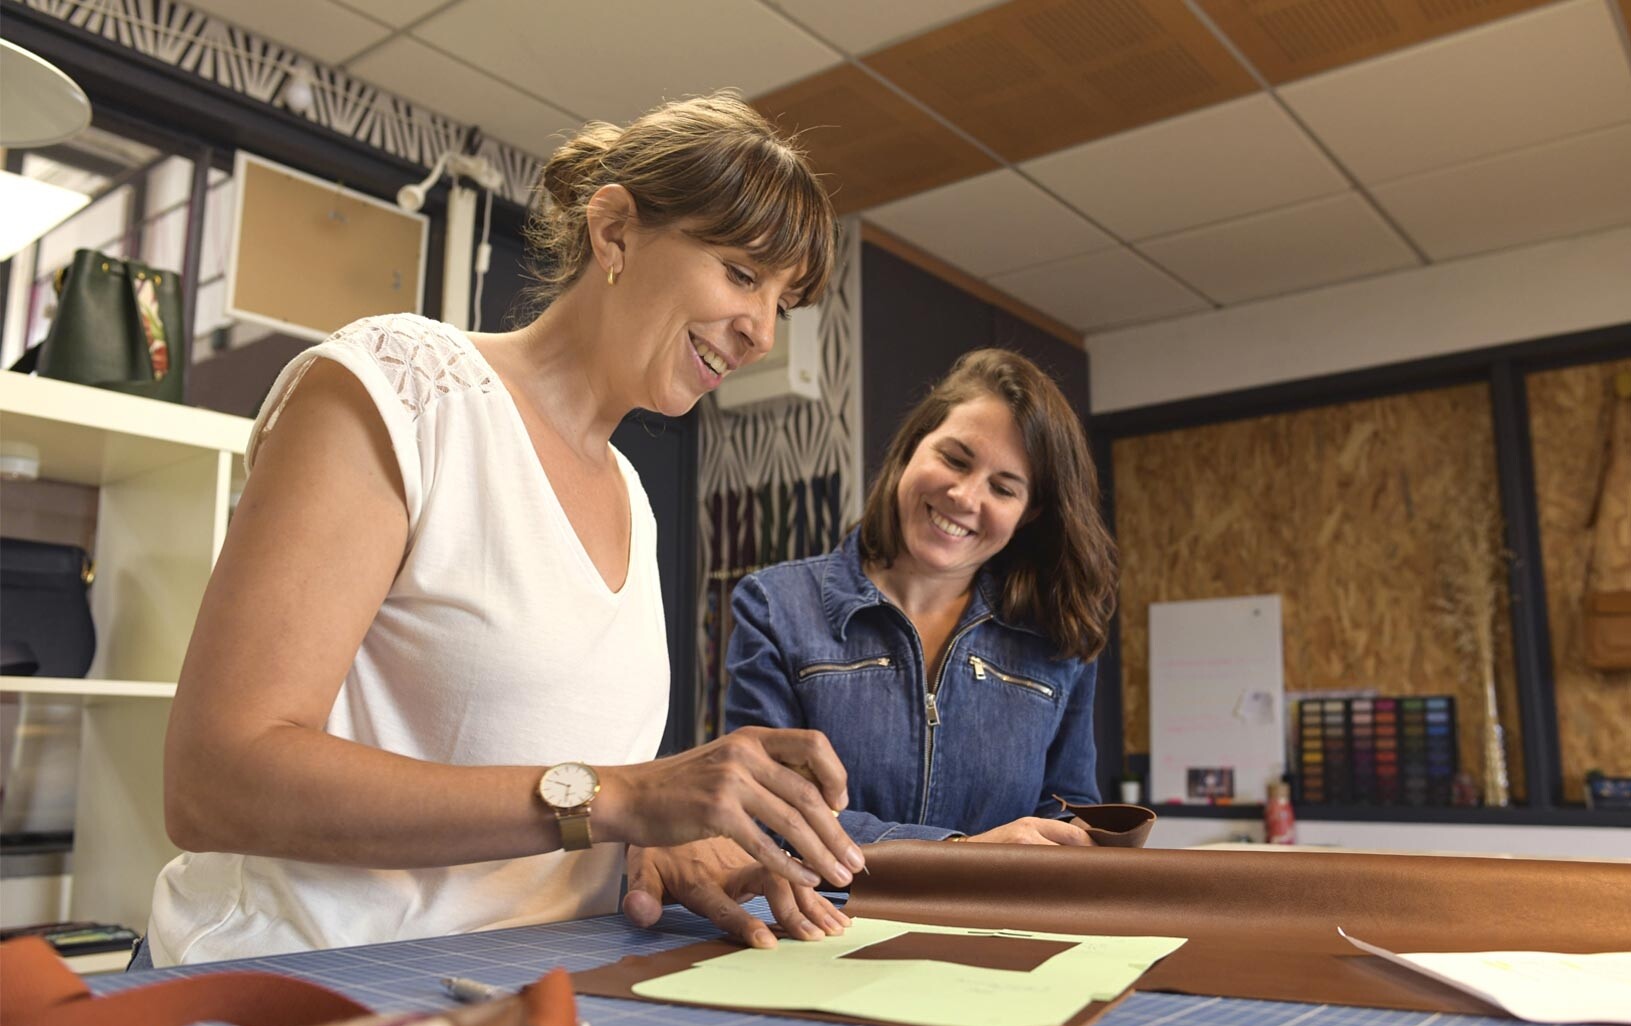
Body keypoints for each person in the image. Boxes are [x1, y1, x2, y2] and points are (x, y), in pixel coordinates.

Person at [142, 93, 863, 968]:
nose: (759, 332)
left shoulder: (631, 496)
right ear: (616, 233)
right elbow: (216, 780)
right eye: (743, 275)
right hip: (308, 975)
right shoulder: (402, 388)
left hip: (525, 974)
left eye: (784, 303)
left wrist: (649, 843)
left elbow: (552, 795)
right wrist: (620, 801)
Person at [725, 348, 1119, 845]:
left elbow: (1065, 813)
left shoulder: (1058, 636)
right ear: (913, 446)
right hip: (824, 921)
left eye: (1003, 488)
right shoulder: (775, 606)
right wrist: (962, 855)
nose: (965, 496)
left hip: (998, 924)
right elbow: (766, 813)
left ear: (1030, 514)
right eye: (954, 459)